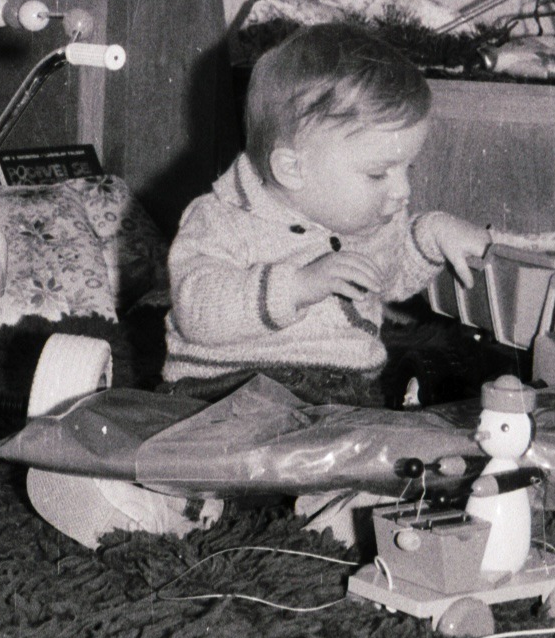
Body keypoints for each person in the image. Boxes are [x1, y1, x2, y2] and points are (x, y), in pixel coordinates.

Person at [162, 21, 489, 399]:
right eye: (378, 173)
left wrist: (431, 236)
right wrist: (298, 286)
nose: (403, 191)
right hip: (231, 388)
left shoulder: (368, 218)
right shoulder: (222, 218)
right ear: (293, 169)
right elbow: (197, 310)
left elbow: (388, 277)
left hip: (348, 391)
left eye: (407, 169)